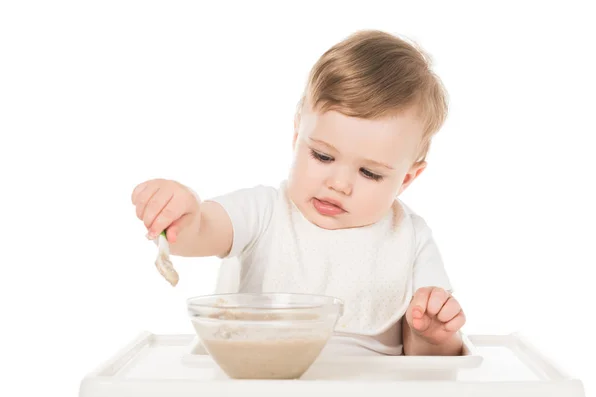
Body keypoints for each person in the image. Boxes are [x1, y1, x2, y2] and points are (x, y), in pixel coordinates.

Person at [131, 30, 465, 356]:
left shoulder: (411, 239)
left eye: (369, 173)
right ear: (297, 135)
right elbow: (203, 230)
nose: (339, 184)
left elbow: (430, 366)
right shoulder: (263, 212)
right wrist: (184, 215)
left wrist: (433, 336)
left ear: (407, 178)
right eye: (322, 156)